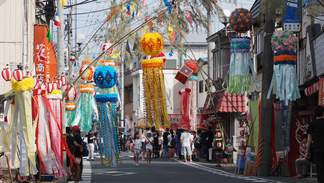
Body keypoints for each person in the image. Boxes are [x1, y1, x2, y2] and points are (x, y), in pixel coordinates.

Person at [307, 105, 324, 183]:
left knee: (319, 168)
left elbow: (309, 139)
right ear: (323, 113)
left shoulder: (312, 123)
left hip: (317, 147)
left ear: (314, 114)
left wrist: (307, 150)